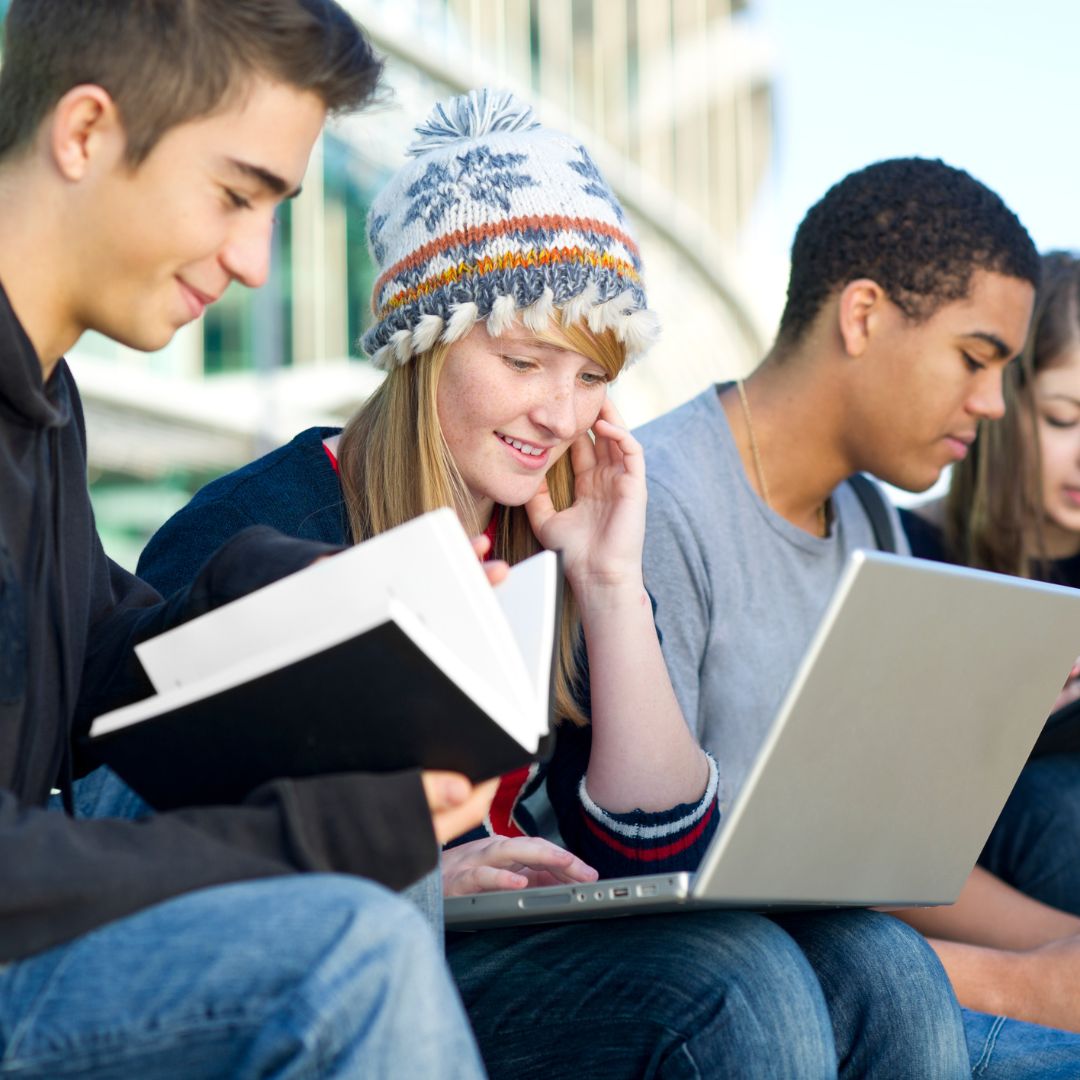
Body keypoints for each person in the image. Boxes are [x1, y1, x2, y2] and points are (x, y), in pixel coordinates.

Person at [140, 89, 973, 1079]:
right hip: (358, 959)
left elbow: (652, 851)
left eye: (590, 377)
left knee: (882, 962)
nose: (560, 414)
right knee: (735, 984)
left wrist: (610, 582)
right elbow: (152, 838)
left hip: (508, 940)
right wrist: (414, 877)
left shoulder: (545, 529)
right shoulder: (256, 531)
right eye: (526, 361)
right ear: (423, 343)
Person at [0, 3, 495, 1076]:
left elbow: (88, 666)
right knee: (348, 958)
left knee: (367, 766)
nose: (257, 263)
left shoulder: (44, 400)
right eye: (236, 195)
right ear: (85, 132)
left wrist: (299, 598)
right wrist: (307, 840)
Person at [637, 157, 1080, 1070]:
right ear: (864, 315)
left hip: (855, 973)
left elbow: (866, 851)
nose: (992, 403)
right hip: (732, 996)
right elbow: (660, 887)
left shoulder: (869, 525)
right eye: (974, 358)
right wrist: (1023, 980)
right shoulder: (661, 504)